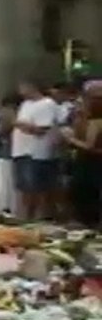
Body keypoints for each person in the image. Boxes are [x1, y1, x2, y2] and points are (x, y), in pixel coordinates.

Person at [11, 79, 61, 220]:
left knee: (38, 189)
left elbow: (41, 129)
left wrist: (18, 124)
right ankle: (26, 217)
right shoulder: (25, 104)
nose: (20, 91)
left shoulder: (47, 104)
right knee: (23, 188)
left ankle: (41, 218)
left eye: (22, 87)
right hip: (21, 150)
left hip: (36, 152)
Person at [63, 83, 102, 226]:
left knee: (85, 194)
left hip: (90, 162)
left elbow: (89, 146)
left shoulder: (95, 123)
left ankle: (87, 223)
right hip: (89, 161)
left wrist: (71, 139)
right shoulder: (83, 120)